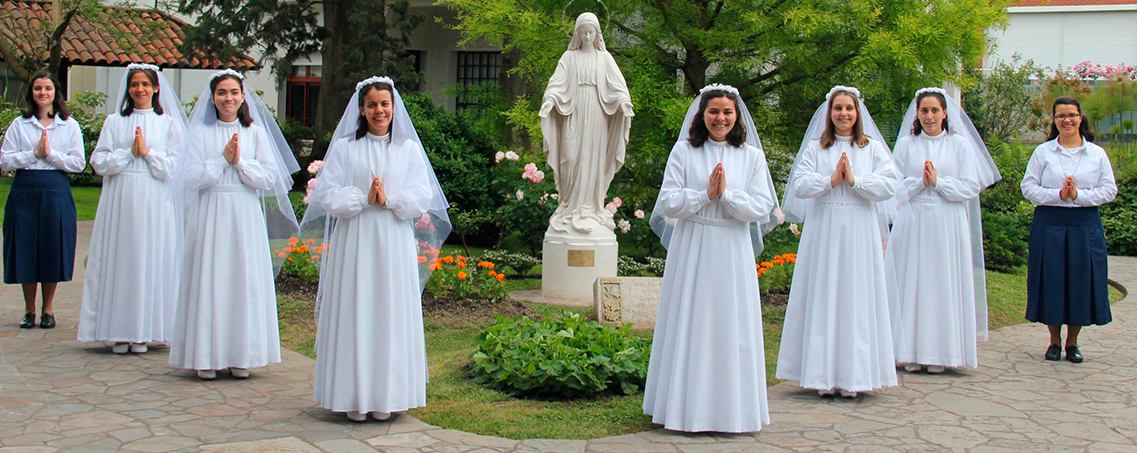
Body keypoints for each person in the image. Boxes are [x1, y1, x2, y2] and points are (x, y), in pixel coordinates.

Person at [300, 76, 451, 422]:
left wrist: (389, 200)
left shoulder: (408, 149)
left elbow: (421, 196)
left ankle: (387, 395)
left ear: (393, 107)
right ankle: (352, 395)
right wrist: (361, 199)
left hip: (392, 239)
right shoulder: (345, 148)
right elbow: (326, 193)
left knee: (388, 309)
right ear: (361, 109)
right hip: (354, 239)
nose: (378, 110)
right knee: (355, 307)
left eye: (384, 104)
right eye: (372, 105)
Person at [643, 84, 779, 432]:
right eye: (714, 111)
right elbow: (669, 202)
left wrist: (727, 196)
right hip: (693, 244)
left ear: (737, 116)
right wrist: (705, 195)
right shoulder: (684, 152)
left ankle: (733, 410)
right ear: (702, 115)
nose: (721, 118)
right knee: (692, 320)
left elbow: (762, 206)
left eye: (727, 112)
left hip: (732, 247)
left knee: (731, 324)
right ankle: (685, 409)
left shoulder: (752, 157)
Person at [168, 69, 300, 380]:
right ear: (212, 98)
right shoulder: (199, 133)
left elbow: (271, 178)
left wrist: (239, 162)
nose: (228, 98)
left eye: (234, 92)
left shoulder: (254, 133)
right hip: (210, 211)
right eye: (222, 93)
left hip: (243, 212)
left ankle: (242, 354)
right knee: (209, 277)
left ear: (243, 96)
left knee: (242, 278)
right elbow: (188, 178)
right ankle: (206, 355)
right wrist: (221, 161)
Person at [776, 85, 901, 398]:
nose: (844, 113)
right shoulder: (817, 148)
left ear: (857, 113)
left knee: (856, 297)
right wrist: (831, 180)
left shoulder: (871, 148)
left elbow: (889, 185)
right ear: (829, 113)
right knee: (824, 293)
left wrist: (855, 180)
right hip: (824, 229)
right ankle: (821, 374)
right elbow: (801, 185)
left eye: (849, 108)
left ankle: (855, 375)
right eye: (838, 108)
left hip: (859, 230)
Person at [887, 87, 1000, 373]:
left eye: (934, 110)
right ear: (917, 113)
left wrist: (938, 183)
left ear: (945, 113)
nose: (929, 116)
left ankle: (940, 352)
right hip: (912, 221)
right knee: (911, 280)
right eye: (924, 110)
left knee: (941, 282)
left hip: (946, 222)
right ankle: (908, 350)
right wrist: (919, 183)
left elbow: (971, 186)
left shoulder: (959, 145)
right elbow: (892, 186)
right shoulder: (906, 145)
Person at [78, 64, 187, 353]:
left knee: (148, 258)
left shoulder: (169, 124)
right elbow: (99, 161)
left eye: (145, 84)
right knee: (121, 258)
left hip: (154, 198)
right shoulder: (115, 122)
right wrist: (128, 153)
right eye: (134, 84)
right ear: (128, 89)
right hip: (120, 198)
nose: (140, 89)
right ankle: (118, 330)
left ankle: (144, 330)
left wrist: (148, 154)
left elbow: (177, 167)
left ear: (156, 88)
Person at [1021, 95, 1116, 363]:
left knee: (1081, 282)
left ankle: (1073, 343)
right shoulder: (1044, 152)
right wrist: (1058, 195)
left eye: (1072, 115)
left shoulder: (1096, 154)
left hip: (1084, 225)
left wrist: (1077, 196)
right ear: (1054, 120)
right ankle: (1053, 341)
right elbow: (1028, 187)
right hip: (1049, 223)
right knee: (1051, 281)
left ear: (1080, 117)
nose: (1067, 120)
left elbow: (1109, 189)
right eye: (1061, 116)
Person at [1, 70, 86, 329]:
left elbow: (78, 163)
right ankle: (29, 309)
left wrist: (50, 155)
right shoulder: (20, 124)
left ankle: (48, 309)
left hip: (55, 191)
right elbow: (5, 160)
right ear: (32, 93)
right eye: (38, 88)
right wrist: (32, 154)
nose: (42, 93)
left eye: (47, 88)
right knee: (25, 248)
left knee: (53, 247)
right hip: (24, 190)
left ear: (55, 93)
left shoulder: (68, 125)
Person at [539, 12, 634, 234]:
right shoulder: (569, 57)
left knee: (594, 160)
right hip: (573, 110)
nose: (588, 36)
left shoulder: (605, 59)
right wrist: (550, 100)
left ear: (597, 34)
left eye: (591, 32)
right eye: (584, 32)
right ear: (577, 34)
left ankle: (591, 208)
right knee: (570, 158)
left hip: (598, 114)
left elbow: (618, 87)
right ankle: (569, 206)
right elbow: (556, 83)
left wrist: (623, 102)